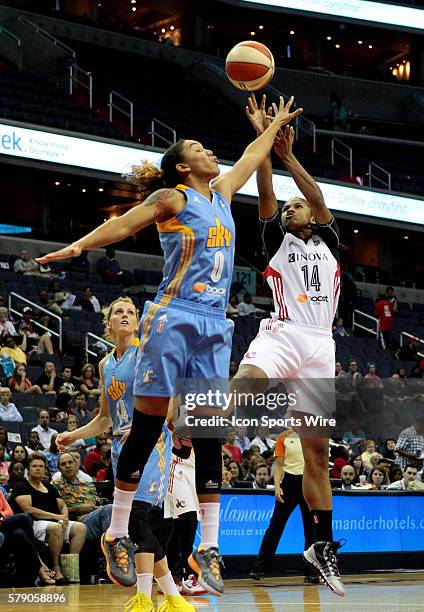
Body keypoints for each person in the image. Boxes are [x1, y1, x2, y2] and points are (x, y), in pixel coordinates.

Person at [38, 94, 302, 599]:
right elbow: (123, 224)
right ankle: (117, 529)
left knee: (208, 433)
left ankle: (209, 546)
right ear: (183, 165)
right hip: (172, 317)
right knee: (149, 424)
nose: (211, 153)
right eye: (200, 148)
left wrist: (271, 127)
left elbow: (251, 156)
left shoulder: (222, 193)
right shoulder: (173, 199)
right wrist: (79, 245)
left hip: (214, 325)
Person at [231, 94, 345, 596]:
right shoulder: (276, 240)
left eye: (300, 207)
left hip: (322, 346)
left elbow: (316, 197)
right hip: (283, 331)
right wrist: (266, 149)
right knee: (245, 384)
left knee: (318, 456)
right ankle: (191, 432)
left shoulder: (329, 239)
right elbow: (268, 195)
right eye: (291, 206)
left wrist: (288, 153)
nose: (297, 208)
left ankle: (322, 548)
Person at [56, 297, 187, 611]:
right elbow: (105, 418)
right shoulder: (105, 364)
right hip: (119, 449)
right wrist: (73, 435)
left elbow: (171, 403)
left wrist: (144, 427)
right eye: (119, 312)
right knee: (140, 524)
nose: (126, 316)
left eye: (131, 312)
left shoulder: (147, 353)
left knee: (136, 518)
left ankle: (172, 596)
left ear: (138, 321)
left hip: (151, 445)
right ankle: (149, 597)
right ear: (108, 324)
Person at [250, 429, 317, 583]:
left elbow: (319, 463)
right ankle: (259, 569)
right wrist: (277, 486)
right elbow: (279, 464)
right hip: (289, 484)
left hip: (309, 483)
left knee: (311, 530)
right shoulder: (284, 437)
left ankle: (312, 572)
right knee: (275, 527)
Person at [11, 453, 87, 583]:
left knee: (80, 528)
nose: (38, 468)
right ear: (28, 468)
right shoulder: (22, 486)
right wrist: (57, 517)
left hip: (55, 521)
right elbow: (29, 509)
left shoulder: (49, 486)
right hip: (33, 524)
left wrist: (65, 517)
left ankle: (68, 567)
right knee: (55, 527)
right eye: (34, 466)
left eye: (41, 466)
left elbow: (62, 505)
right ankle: (56, 567)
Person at [0, 489, 56, 585]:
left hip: (3, 523)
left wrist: (1, 515)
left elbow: (9, 511)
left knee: (20, 533)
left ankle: (38, 568)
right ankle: (40, 566)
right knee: (24, 518)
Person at [53, 452, 113, 542]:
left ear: (76, 464)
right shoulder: (55, 486)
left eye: (70, 462)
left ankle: (119, 548)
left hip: (95, 519)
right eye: (63, 464)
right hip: (76, 524)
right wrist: (77, 509)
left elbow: (98, 505)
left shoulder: (88, 485)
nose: (67, 466)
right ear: (59, 469)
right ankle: (112, 547)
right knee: (108, 509)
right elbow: (55, 512)